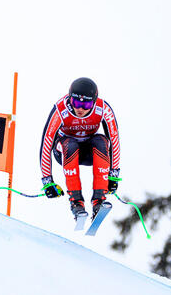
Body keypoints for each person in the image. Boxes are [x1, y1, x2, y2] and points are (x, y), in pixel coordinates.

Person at [39, 77, 121, 220]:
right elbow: (46, 143)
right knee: (70, 144)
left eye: (87, 105)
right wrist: (48, 181)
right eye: (76, 103)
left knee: (101, 141)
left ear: (94, 102)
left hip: (89, 151)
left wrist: (113, 175)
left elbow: (114, 140)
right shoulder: (61, 109)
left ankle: (98, 201)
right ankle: (76, 203)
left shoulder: (103, 109)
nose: (80, 109)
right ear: (70, 99)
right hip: (65, 151)